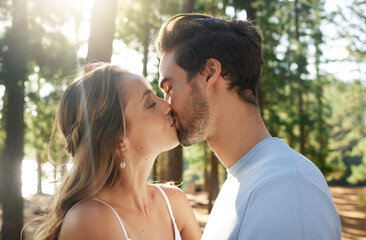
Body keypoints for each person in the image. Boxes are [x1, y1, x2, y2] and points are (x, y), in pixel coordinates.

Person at [155, 13, 342, 240]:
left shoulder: (284, 187)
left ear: (210, 73)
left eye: (170, 88)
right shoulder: (243, 182)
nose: (166, 105)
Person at [31, 64, 202, 240]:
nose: (167, 104)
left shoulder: (174, 203)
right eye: (150, 104)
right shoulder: (90, 219)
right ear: (117, 139)